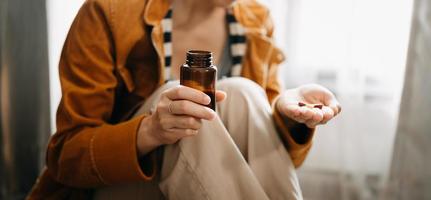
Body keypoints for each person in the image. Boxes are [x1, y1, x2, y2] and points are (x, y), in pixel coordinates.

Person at [27, 0, 341, 199]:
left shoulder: (255, 20)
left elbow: (275, 163)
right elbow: (66, 157)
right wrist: (150, 131)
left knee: (246, 92)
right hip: (108, 189)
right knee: (179, 99)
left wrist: (286, 117)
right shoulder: (109, 10)